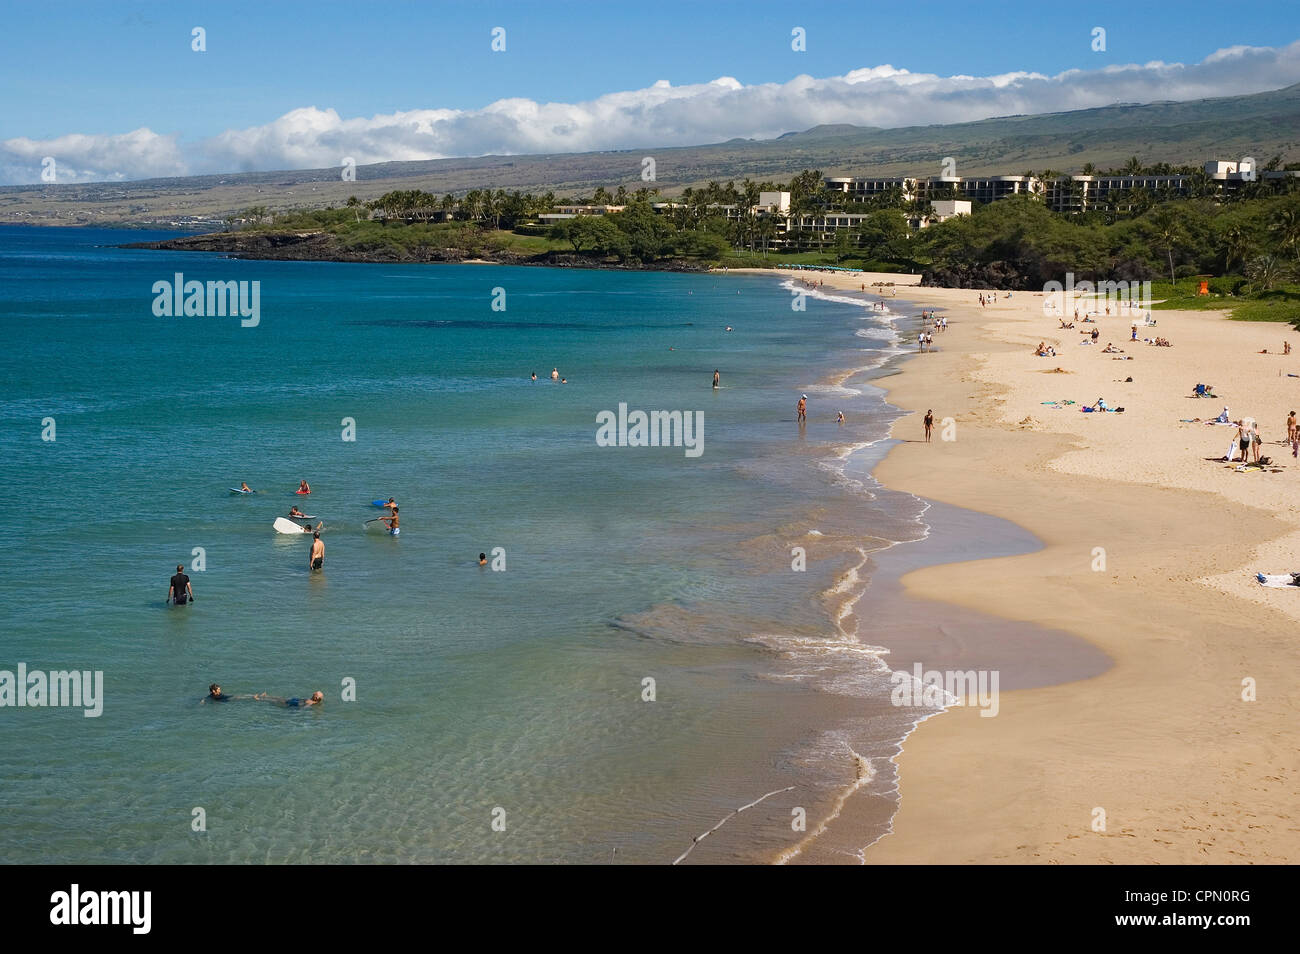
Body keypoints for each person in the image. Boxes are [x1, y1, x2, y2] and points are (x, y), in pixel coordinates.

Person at [255, 691, 324, 708]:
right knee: (278, 698)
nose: (314, 692)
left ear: (316, 698)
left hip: (291, 704)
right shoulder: (311, 700)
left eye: (316, 693)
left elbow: (304, 708)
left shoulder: (311, 703)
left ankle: (259, 699)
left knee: (275, 701)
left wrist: (293, 711)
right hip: (293, 700)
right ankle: (266, 696)